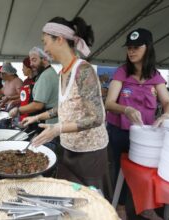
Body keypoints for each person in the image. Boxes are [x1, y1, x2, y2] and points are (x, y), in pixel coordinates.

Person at [22, 17, 110, 197]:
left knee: (90, 203)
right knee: (71, 201)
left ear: (60, 39)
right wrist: (37, 117)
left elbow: (96, 117)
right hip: (69, 148)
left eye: (45, 42)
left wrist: (58, 128)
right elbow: (65, 108)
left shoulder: (83, 70)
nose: (45, 49)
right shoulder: (62, 72)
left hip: (89, 153)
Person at [105, 28, 169, 220]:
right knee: (120, 170)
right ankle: (119, 206)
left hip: (145, 134)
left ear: (148, 48)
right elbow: (109, 103)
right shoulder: (122, 72)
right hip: (120, 131)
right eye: (129, 47)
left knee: (146, 171)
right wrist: (125, 109)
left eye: (136, 47)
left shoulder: (155, 75)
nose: (131, 51)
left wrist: (167, 115)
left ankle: (146, 207)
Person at [9, 48, 59, 127]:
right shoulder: (48, 72)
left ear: (45, 59)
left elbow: (38, 105)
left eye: (34, 60)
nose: (31, 64)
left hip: (48, 123)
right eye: (30, 60)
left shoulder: (46, 76)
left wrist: (18, 110)